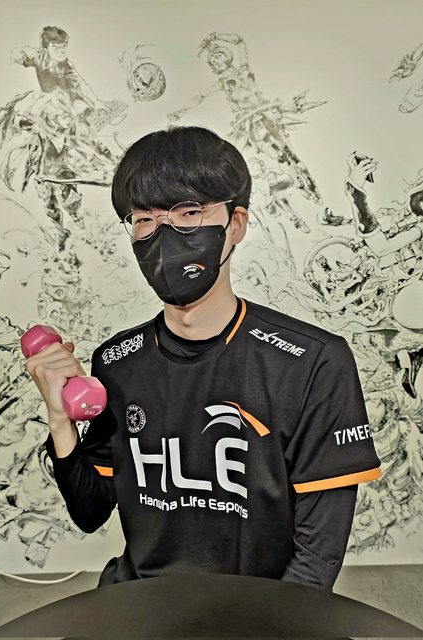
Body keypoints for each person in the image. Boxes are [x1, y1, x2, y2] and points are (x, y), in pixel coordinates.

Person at [26, 126, 381, 590]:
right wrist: (59, 420)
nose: (163, 235)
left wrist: (266, 622)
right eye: (144, 219)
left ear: (236, 224)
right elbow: (90, 512)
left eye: (189, 213)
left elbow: (316, 559)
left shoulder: (315, 363)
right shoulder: (116, 361)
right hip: (140, 599)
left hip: (256, 609)